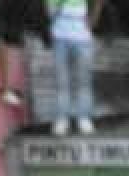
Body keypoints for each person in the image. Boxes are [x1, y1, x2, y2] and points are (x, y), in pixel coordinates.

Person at [47, 0, 103, 136]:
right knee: (61, 79)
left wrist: (90, 23)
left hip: (82, 35)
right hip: (60, 35)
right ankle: (62, 117)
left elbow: (97, 2)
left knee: (83, 79)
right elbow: (50, 11)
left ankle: (83, 117)